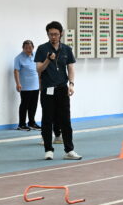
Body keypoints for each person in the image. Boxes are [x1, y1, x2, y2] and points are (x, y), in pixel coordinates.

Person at [34, 21, 82, 160]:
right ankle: (48, 150)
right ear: (47, 35)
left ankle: (69, 150)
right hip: (47, 90)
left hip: (62, 89)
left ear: (61, 34)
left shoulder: (66, 49)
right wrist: (48, 60)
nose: (53, 37)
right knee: (47, 120)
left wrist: (71, 84)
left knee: (65, 121)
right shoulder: (42, 49)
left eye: (55, 34)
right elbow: (39, 69)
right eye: (50, 34)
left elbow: (71, 68)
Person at [13, 39, 40, 130]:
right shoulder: (18, 58)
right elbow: (16, 71)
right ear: (23, 48)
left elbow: (40, 68)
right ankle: (21, 124)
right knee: (24, 105)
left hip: (36, 86)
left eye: (30, 48)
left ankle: (32, 123)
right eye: (26, 48)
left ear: (33, 47)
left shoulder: (36, 55)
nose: (29, 49)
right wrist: (18, 83)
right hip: (25, 86)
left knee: (33, 105)